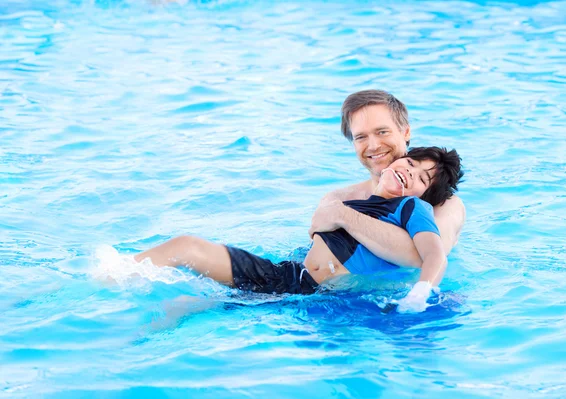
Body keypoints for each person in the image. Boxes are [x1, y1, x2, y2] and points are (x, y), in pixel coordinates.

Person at [134, 147, 463, 312]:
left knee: (191, 272)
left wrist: (423, 291)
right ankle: (117, 276)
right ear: (397, 160)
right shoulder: (352, 204)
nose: (410, 172)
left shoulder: (412, 208)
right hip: (291, 279)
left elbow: (435, 255)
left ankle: (113, 283)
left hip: (319, 295)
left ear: (425, 196)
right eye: (412, 162)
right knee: (185, 257)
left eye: (423, 178)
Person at [309, 90, 466, 287]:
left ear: (405, 132)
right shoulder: (339, 197)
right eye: (361, 137)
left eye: (382, 132)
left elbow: (426, 258)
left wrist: (344, 217)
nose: (373, 146)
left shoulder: (444, 205)